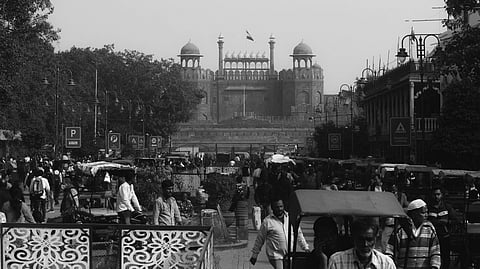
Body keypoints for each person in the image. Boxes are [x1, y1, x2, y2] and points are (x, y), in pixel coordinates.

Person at [250, 197, 310, 269]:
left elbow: (299, 234)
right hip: (276, 255)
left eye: (281, 206)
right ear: (272, 208)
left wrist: (305, 247)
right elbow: (260, 239)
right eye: (277, 207)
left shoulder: (290, 218)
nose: (279, 209)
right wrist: (254, 255)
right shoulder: (267, 221)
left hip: (290, 255)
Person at [386, 199, 441, 269]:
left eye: (427, 212)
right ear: (414, 214)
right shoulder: (401, 229)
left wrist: (434, 266)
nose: (426, 215)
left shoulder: (429, 228)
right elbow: (390, 251)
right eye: (423, 213)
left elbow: (435, 251)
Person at [328, 217, 396, 269]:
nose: (365, 244)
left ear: (375, 239)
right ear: (353, 239)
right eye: (360, 240)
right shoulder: (337, 261)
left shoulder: (387, 264)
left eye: (369, 239)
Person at [428, 187, 458, 269]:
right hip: (432, 238)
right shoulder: (428, 207)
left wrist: (446, 223)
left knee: (445, 258)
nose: (436, 196)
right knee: (433, 257)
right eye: (434, 194)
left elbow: (455, 221)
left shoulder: (447, 207)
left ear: (442, 195)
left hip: (445, 237)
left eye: (438, 194)